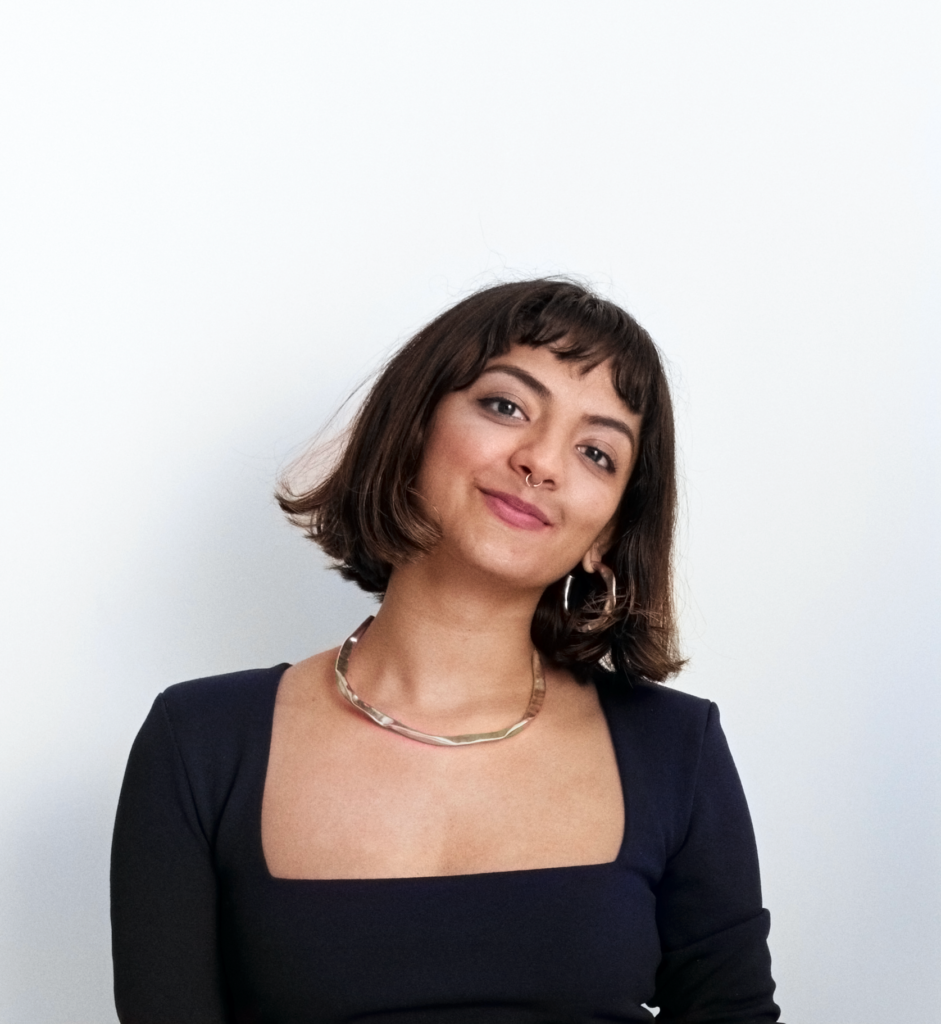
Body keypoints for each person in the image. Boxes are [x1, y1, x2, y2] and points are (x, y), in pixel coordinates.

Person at [110, 279, 783, 1023]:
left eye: (596, 452)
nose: (542, 461)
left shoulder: (673, 749)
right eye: (506, 406)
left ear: (608, 536)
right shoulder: (200, 743)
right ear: (413, 427)